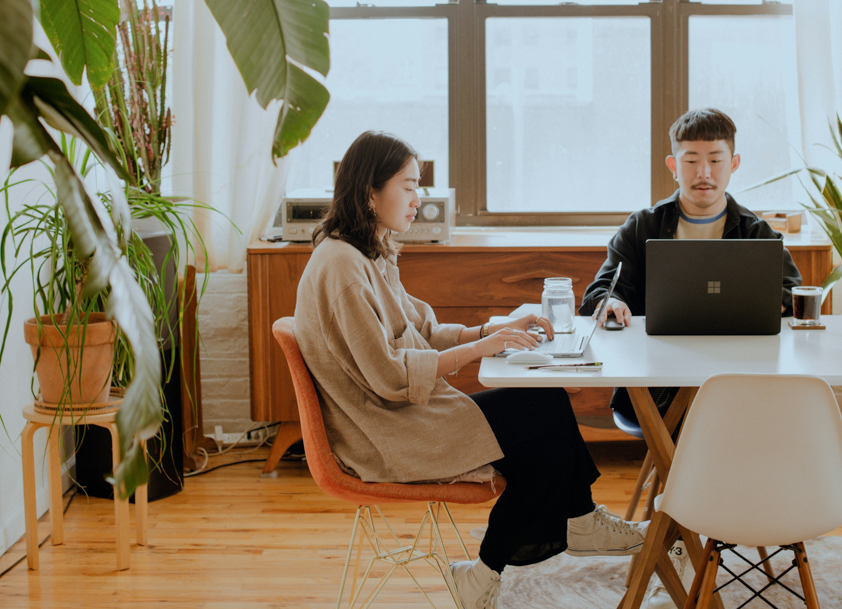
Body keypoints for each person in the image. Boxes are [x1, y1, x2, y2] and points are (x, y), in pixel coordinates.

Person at [293, 130, 647, 609]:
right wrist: (485, 347)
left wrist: (493, 329)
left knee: (545, 445)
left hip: (404, 417)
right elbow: (393, 376)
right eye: (410, 186)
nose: (420, 199)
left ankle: (494, 570)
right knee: (542, 407)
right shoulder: (342, 267)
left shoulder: (370, 253)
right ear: (369, 193)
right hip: (384, 433)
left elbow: (423, 329)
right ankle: (575, 524)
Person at [578, 108, 803, 425]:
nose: (704, 173)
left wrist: (770, 303)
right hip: (657, 382)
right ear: (673, 165)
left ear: (733, 164)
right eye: (691, 160)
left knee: (744, 418)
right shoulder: (642, 226)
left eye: (715, 159)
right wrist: (610, 302)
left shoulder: (757, 232)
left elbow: (793, 294)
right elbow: (598, 295)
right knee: (712, 423)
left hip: (739, 375)